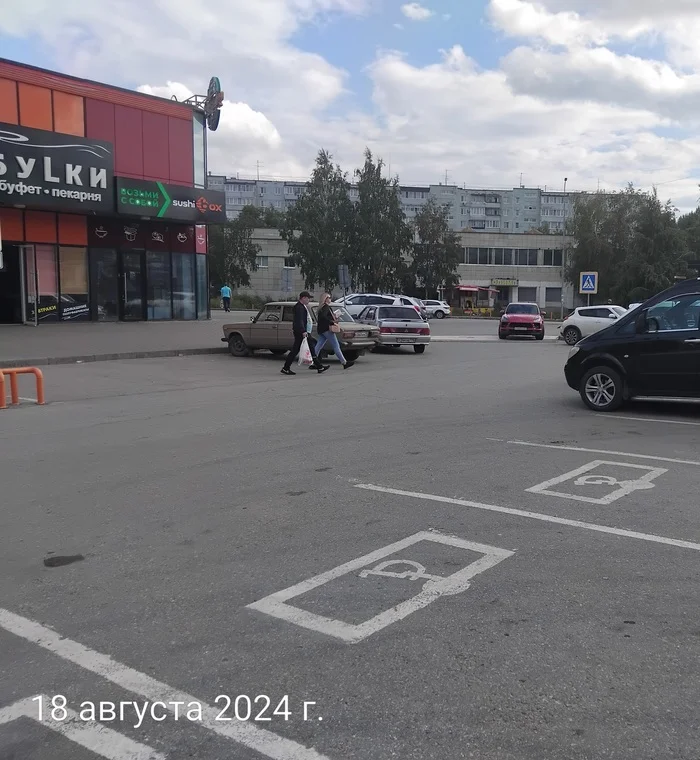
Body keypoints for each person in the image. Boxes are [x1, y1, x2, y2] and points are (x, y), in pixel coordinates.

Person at [281, 292, 329, 376]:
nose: (309, 300)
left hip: (304, 331)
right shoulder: (299, 307)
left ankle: (319, 367)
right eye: (308, 298)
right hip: (301, 332)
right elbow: (300, 320)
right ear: (303, 298)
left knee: (311, 348)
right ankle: (286, 368)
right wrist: (303, 331)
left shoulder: (302, 306)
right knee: (296, 350)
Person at [314, 293, 354, 370]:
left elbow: (323, 317)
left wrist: (334, 317)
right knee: (336, 345)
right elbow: (324, 317)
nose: (330, 299)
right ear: (325, 299)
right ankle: (344, 362)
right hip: (327, 329)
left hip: (322, 329)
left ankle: (313, 361)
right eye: (329, 297)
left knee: (319, 345)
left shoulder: (321, 307)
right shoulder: (326, 307)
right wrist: (332, 322)